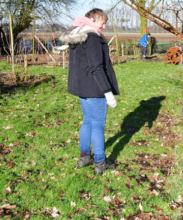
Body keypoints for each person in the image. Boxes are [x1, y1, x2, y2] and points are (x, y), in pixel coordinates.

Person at [60, 8, 120, 175]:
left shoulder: (77, 35)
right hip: (95, 88)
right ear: (92, 20)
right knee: (97, 124)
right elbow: (97, 67)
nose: (105, 25)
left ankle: (85, 157)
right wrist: (107, 92)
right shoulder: (92, 38)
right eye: (103, 21)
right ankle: (100, 161)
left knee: (87, 121)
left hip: (82, 87)